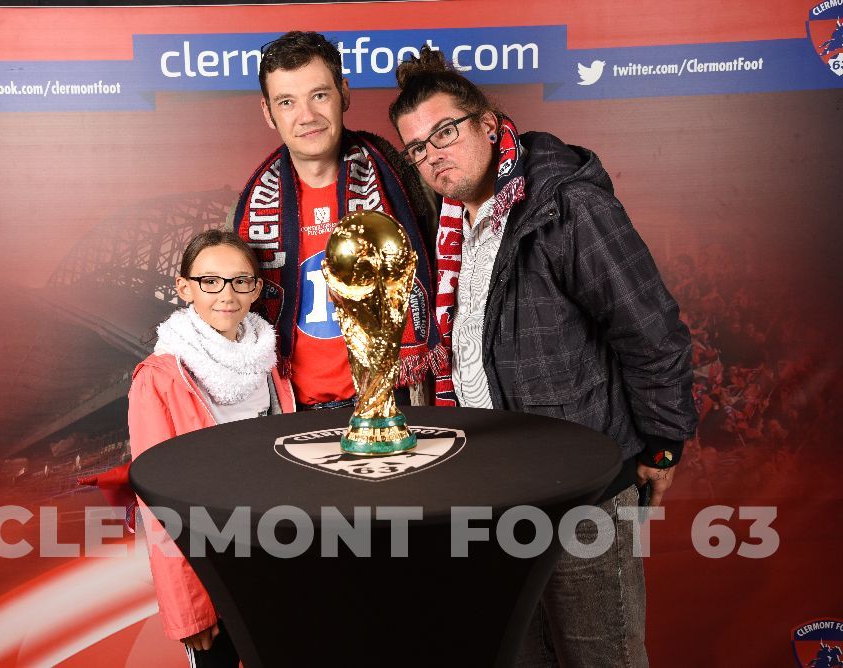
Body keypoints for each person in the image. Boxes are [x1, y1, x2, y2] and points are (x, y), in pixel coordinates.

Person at [389, 48, 698, 666]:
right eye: (418, 149)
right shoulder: (446, 223)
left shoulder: (565, 206)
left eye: (444, 132)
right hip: (490, 485)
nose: (433, 155)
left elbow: (651, 329)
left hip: (582, 484)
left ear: (486, 120)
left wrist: (663, 442)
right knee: (522, 654)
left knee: (599, 656)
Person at [231, 31, 444, 410]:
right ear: (268, 112)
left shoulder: (407, 185)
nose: (307, 117)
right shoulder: (251, 209)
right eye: (286, 101)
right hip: (288, 410)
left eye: (319, 95)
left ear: (344, 94)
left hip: (394, 402)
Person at [128, 229, 294, 666]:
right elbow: (158, 506)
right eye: (210, 281)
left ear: (257, 288)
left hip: (281, 554)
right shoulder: (159, 379)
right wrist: (190, 607)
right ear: (184, 288)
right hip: (213, 568)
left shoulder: (269, 360)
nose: (227, 294)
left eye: (241, 281)